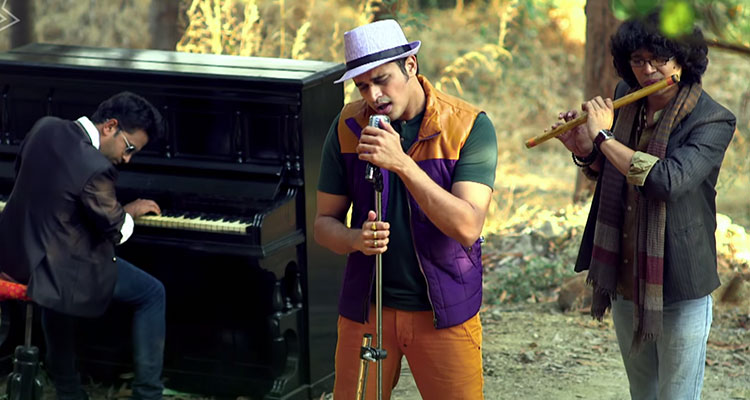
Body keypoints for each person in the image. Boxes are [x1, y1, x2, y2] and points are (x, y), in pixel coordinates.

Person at [554, 12, 736, 400]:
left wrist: (602, 137)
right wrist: (585, 149)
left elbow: (666, 181)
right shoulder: (626, 97)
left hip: (680, 282)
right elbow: (611, 171)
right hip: (626, 275)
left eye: (659, 59)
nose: (648, 70)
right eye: (638, 60)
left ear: (682, 59)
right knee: (643, 392)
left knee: (677, 395)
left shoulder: (713, 119)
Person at [314, 19, 498, 399]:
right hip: (366, 309)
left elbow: (468, 226)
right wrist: (355, 239)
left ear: (411, 65)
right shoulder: (347, 126)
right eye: (362, 86)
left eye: (381, 80)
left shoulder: (467, 126)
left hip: (444, 311)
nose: (373, 95)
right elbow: (322, 225)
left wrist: (402, 163)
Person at [0, 91, 167, 400]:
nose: (127, 159)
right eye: (129, 147)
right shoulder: (95, 166)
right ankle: (148, 394)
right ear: (110, 126)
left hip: (13, 255)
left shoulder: (44, 126)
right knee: (152, 293)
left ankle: (69, 391)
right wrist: (130, 211)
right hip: (51, 270)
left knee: (61, 269)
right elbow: (117, 231)